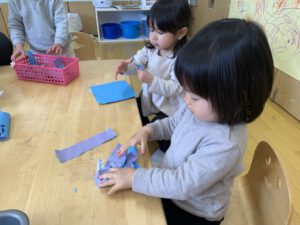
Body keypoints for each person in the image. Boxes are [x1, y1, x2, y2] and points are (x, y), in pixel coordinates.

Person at [99, 18, 274, 225]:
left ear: (236, 97)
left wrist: (135, 178)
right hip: (176, 188)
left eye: (195, 97)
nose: (185, 99)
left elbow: (182, 184)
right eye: (187, 91)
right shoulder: (203, 108)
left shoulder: (225, 144)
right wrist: (149, 130)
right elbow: (173, 124)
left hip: (194, 211)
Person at [114, 0, 192, 152]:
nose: (154, 37)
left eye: (160, 32)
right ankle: (140, 134)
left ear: (181, 33)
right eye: (151, 30)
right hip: (151, 100)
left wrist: (151, 80)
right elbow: (135, 64)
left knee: (164, 146)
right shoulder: (150, 50)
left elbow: (175, 88)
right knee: (133, 109)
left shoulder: (181, 59)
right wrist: (125, 68)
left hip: (170, 109)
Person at [8, 0, 74, 61]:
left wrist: (59, 42)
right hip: (37, 51)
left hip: (61, 49)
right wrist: (18, 45)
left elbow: (61, 21)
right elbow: (16, 25)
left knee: (68, 72)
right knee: (44, 73)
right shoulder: (15, 1)